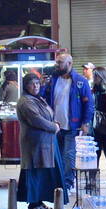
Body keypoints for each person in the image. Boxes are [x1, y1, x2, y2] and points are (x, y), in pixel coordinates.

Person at [40, 53, 95, 196]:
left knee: (69, 156)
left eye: (60, 62)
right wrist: (41, 85)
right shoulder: (53, 80)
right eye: (57, 62)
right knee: (55, 156)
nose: (56, 65)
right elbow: (42, 98)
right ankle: (57, 182)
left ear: (69, 64)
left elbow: (89, 104)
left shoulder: (80, 82)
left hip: (72, 126)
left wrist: (85, 122)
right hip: (54, 126)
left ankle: (67, 184)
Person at [16, 73, 65, 209]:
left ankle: (39, 201)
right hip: (34, 145)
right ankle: (34, 204)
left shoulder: (37, 99)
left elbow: (47, 114)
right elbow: (36, 120)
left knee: (43, 174)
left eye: (37, 83)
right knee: (34, 174)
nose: (35, 86)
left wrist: (54, 124)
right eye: (32, 83)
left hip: (45, 143)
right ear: (26, 86)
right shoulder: (26, 102)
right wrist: (54, 127)